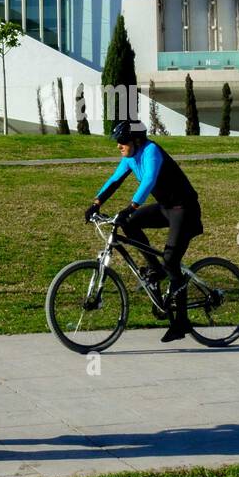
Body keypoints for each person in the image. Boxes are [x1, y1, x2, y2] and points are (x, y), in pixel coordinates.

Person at [84, 120, 204, 343]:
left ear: (136, 140)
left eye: (122, 142)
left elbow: (148, 180)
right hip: (167, 208)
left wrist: (131, 207)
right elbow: (114, 180)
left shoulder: (151, 151)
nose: (119, 146)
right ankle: (154, 269)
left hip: (184, 209)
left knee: (171, 262)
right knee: (129, 223)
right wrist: (96, 203)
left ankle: (181, 322)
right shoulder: (130, 157)